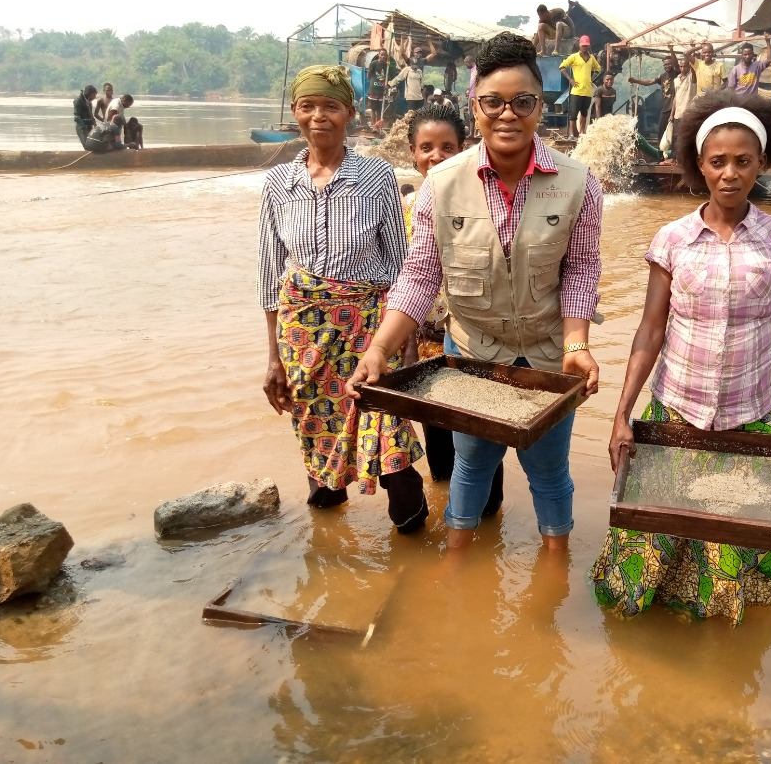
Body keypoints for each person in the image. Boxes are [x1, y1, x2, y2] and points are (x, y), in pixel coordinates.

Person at [346, 32, 603, 551]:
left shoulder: (580, 184)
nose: (508, 115)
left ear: (541, 106)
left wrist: (577, 345)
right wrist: (376, 349)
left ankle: (555, 566)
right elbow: (420, 276)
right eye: (493, 102)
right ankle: (457, 566)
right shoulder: (440, 184)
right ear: (475, 106)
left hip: (550, 357)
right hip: (474, 351)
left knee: (550, 471)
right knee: (471, 465)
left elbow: (580, 270)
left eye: (523, 102)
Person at [592, 89, 771, 622]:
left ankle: (719, 638)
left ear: (761, 163)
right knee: (655, 535)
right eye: (718, 162)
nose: (731, 174)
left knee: (730, 539)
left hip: (748, 418)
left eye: (744, 161)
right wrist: (621, 414)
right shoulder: (673, 239)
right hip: (676, 410)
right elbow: (650, 330)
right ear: (700, 165)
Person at [258, 65, 427, 533]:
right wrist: (273, 357)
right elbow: (269, 276)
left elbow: (401, 264)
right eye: (307, 106)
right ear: (295, 112)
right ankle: (326, 538)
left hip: (369, 329)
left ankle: (413, 537)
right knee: (314, 428)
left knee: (388, 433)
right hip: (302, 336)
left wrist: (404, 341)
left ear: (349, 114)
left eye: (330, 106)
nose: (318, 117)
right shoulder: (277, 185)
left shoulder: (375, 176)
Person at [402, 104, 507, 514]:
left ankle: (488, 511)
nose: (436, 156)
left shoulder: (484, 201)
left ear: (463, 148)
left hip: (473, 337)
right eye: (426, 147)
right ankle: (448, 504)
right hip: (426, 340)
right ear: (413, 152)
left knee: (480, 430)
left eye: (447, 146)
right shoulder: (407, 207)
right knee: (439, 440)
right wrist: (406, 343)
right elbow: (404, 276)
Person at [628, 55, 677, 148]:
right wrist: (635, 81)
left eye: (669, 64)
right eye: (665, 64)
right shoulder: (662, 76)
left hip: (675, 108)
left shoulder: (677, 74)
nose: (667, 66)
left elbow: (677, 64)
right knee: (661, 131)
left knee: (674, 132)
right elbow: (650, 82)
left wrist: (671, 50)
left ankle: (673, 155)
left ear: (673, 64)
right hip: (665, 108)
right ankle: (660, 153)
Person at [560, 36, 601, 139]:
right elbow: (562, 67)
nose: (585, 47)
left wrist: (591, 78)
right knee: (573, 115)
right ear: (580, 45)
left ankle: (582, 133)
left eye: (586, 45)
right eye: (583, 45)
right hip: (576, 91)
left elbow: (598, 69)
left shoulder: (591, 58)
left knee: (584, 113)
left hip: (587, 91)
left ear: (589, 45)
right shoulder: (574, 57)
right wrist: (570, 79)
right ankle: (572, 134)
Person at [366, 49, 389, 126]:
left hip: (382, 91)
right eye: (381, 54)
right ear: (379, 55)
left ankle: (377, 125)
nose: (383, 56)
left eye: (384, 55)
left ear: (386, 56)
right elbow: (368, 76)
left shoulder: (387, 66)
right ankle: (373, 125)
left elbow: (387, 78)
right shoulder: (373, 63)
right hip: (373, 90)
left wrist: (385, 86)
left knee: (379, 110)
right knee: (373, 109)